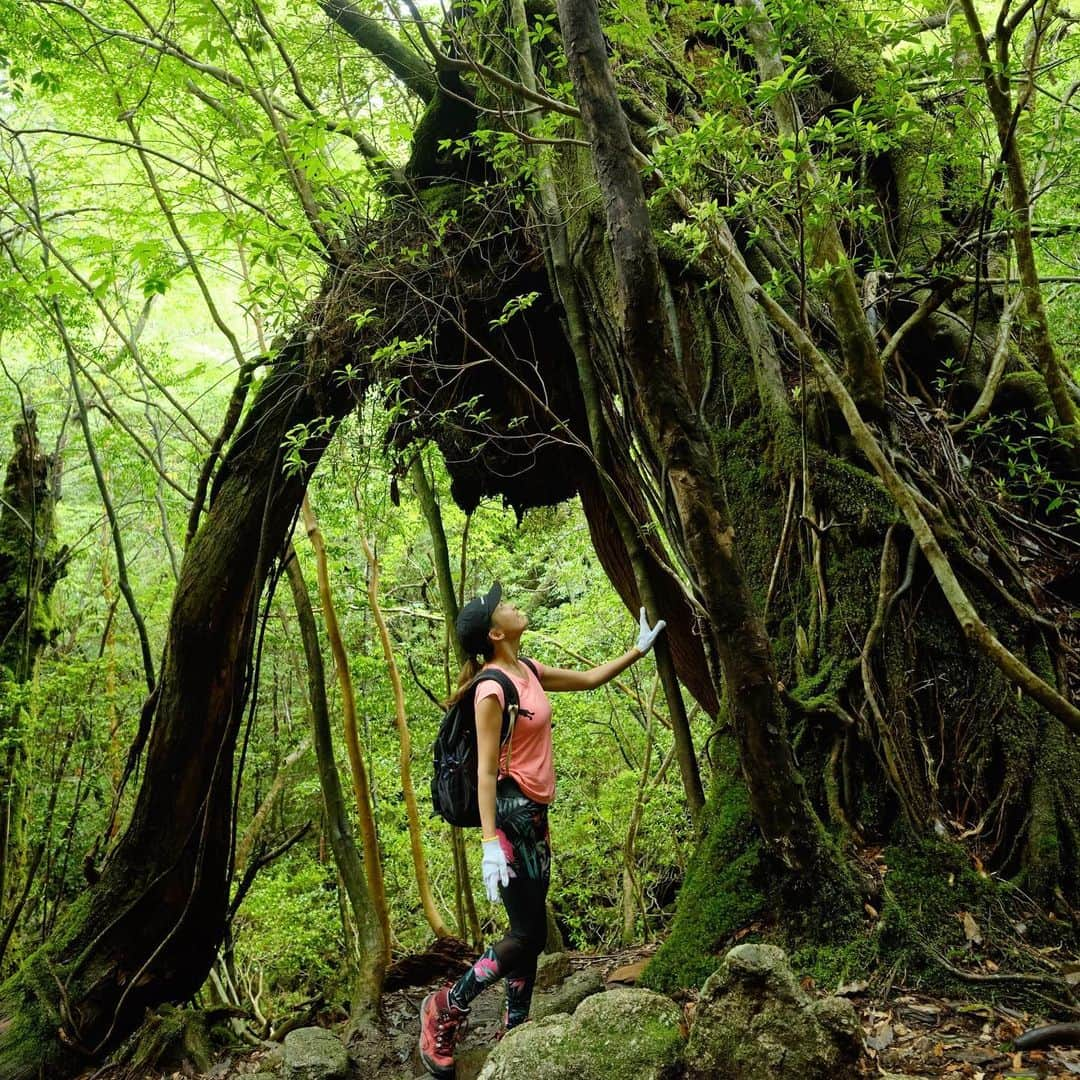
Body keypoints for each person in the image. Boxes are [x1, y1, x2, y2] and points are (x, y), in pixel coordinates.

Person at [418, 582, 666, 1077]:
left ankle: (515, 1027)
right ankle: (447, 1006)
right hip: (510, 815)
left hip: (534, 814)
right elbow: (486, 772)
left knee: (525, 933)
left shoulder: (525, 670)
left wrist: (637, 651)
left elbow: (589, 679)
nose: (512, 606)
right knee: (526, 935)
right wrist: (490, 842)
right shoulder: (491, 689)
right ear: (494, 632)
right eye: (503, 607)